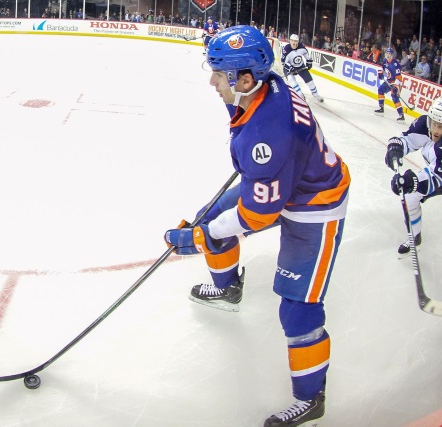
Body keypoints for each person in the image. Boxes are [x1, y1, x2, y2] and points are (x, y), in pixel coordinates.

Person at [164, 25, 350, 426]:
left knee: (298, 310)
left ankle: (310, 397)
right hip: (284, 178)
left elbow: (256, 215)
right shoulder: (261, 89)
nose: (212, 81)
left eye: (220, 74)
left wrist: (202, 238)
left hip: (314, 207)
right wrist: (210, 226)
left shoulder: (269, 135)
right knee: (210, 217)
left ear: (246, 79)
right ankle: (228, 286)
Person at [385, 98, 442, 313]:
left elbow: (436, 178)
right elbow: (406, 140)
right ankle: (415, 237)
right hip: (439, 175)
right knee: (410, 199)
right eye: (435, 123)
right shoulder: (423, 123)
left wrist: (411, 181)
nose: (437, 129)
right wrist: (395, 149)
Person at [281, 34, 324, 102]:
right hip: (289, 68)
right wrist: (290, 68)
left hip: (300, 66)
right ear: (290, 41)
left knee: (310, 81)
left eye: (295, 41)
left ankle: (316, 94)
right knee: (291, 81)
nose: (294, 43)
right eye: (292, 41)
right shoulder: (286, 49)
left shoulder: (301, 46)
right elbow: (284, 63)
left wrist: (308, 61)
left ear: (298, 41)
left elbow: (305, 53)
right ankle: (300, 95)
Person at [374, 48, 405, 123]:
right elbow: (386, 71)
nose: (387, 55)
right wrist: (381, 75)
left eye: (389, 54)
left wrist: (395, 86)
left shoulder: (395, 64)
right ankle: (381, 108)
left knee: (394, 97)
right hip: (389, 81)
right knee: (380, 89)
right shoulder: (384, 61)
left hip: (397, 82)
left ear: (392, 55)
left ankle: (401, 116)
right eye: (387, 53)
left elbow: (398, 77)